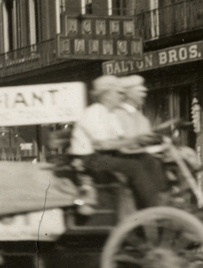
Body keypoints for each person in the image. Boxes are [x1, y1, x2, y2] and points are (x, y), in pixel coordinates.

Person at [70, 75, 166, 209]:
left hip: (106, 155)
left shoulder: (111, 114)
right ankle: (154, 207)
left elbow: (121, 140)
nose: (122, 97)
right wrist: (135, 140)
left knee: (148, 159)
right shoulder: (93, 113)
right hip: (89, 160)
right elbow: (103, 144)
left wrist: (144, 141)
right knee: (134, 167)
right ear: (107, 95)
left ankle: (161, 198)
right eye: (119, 93)